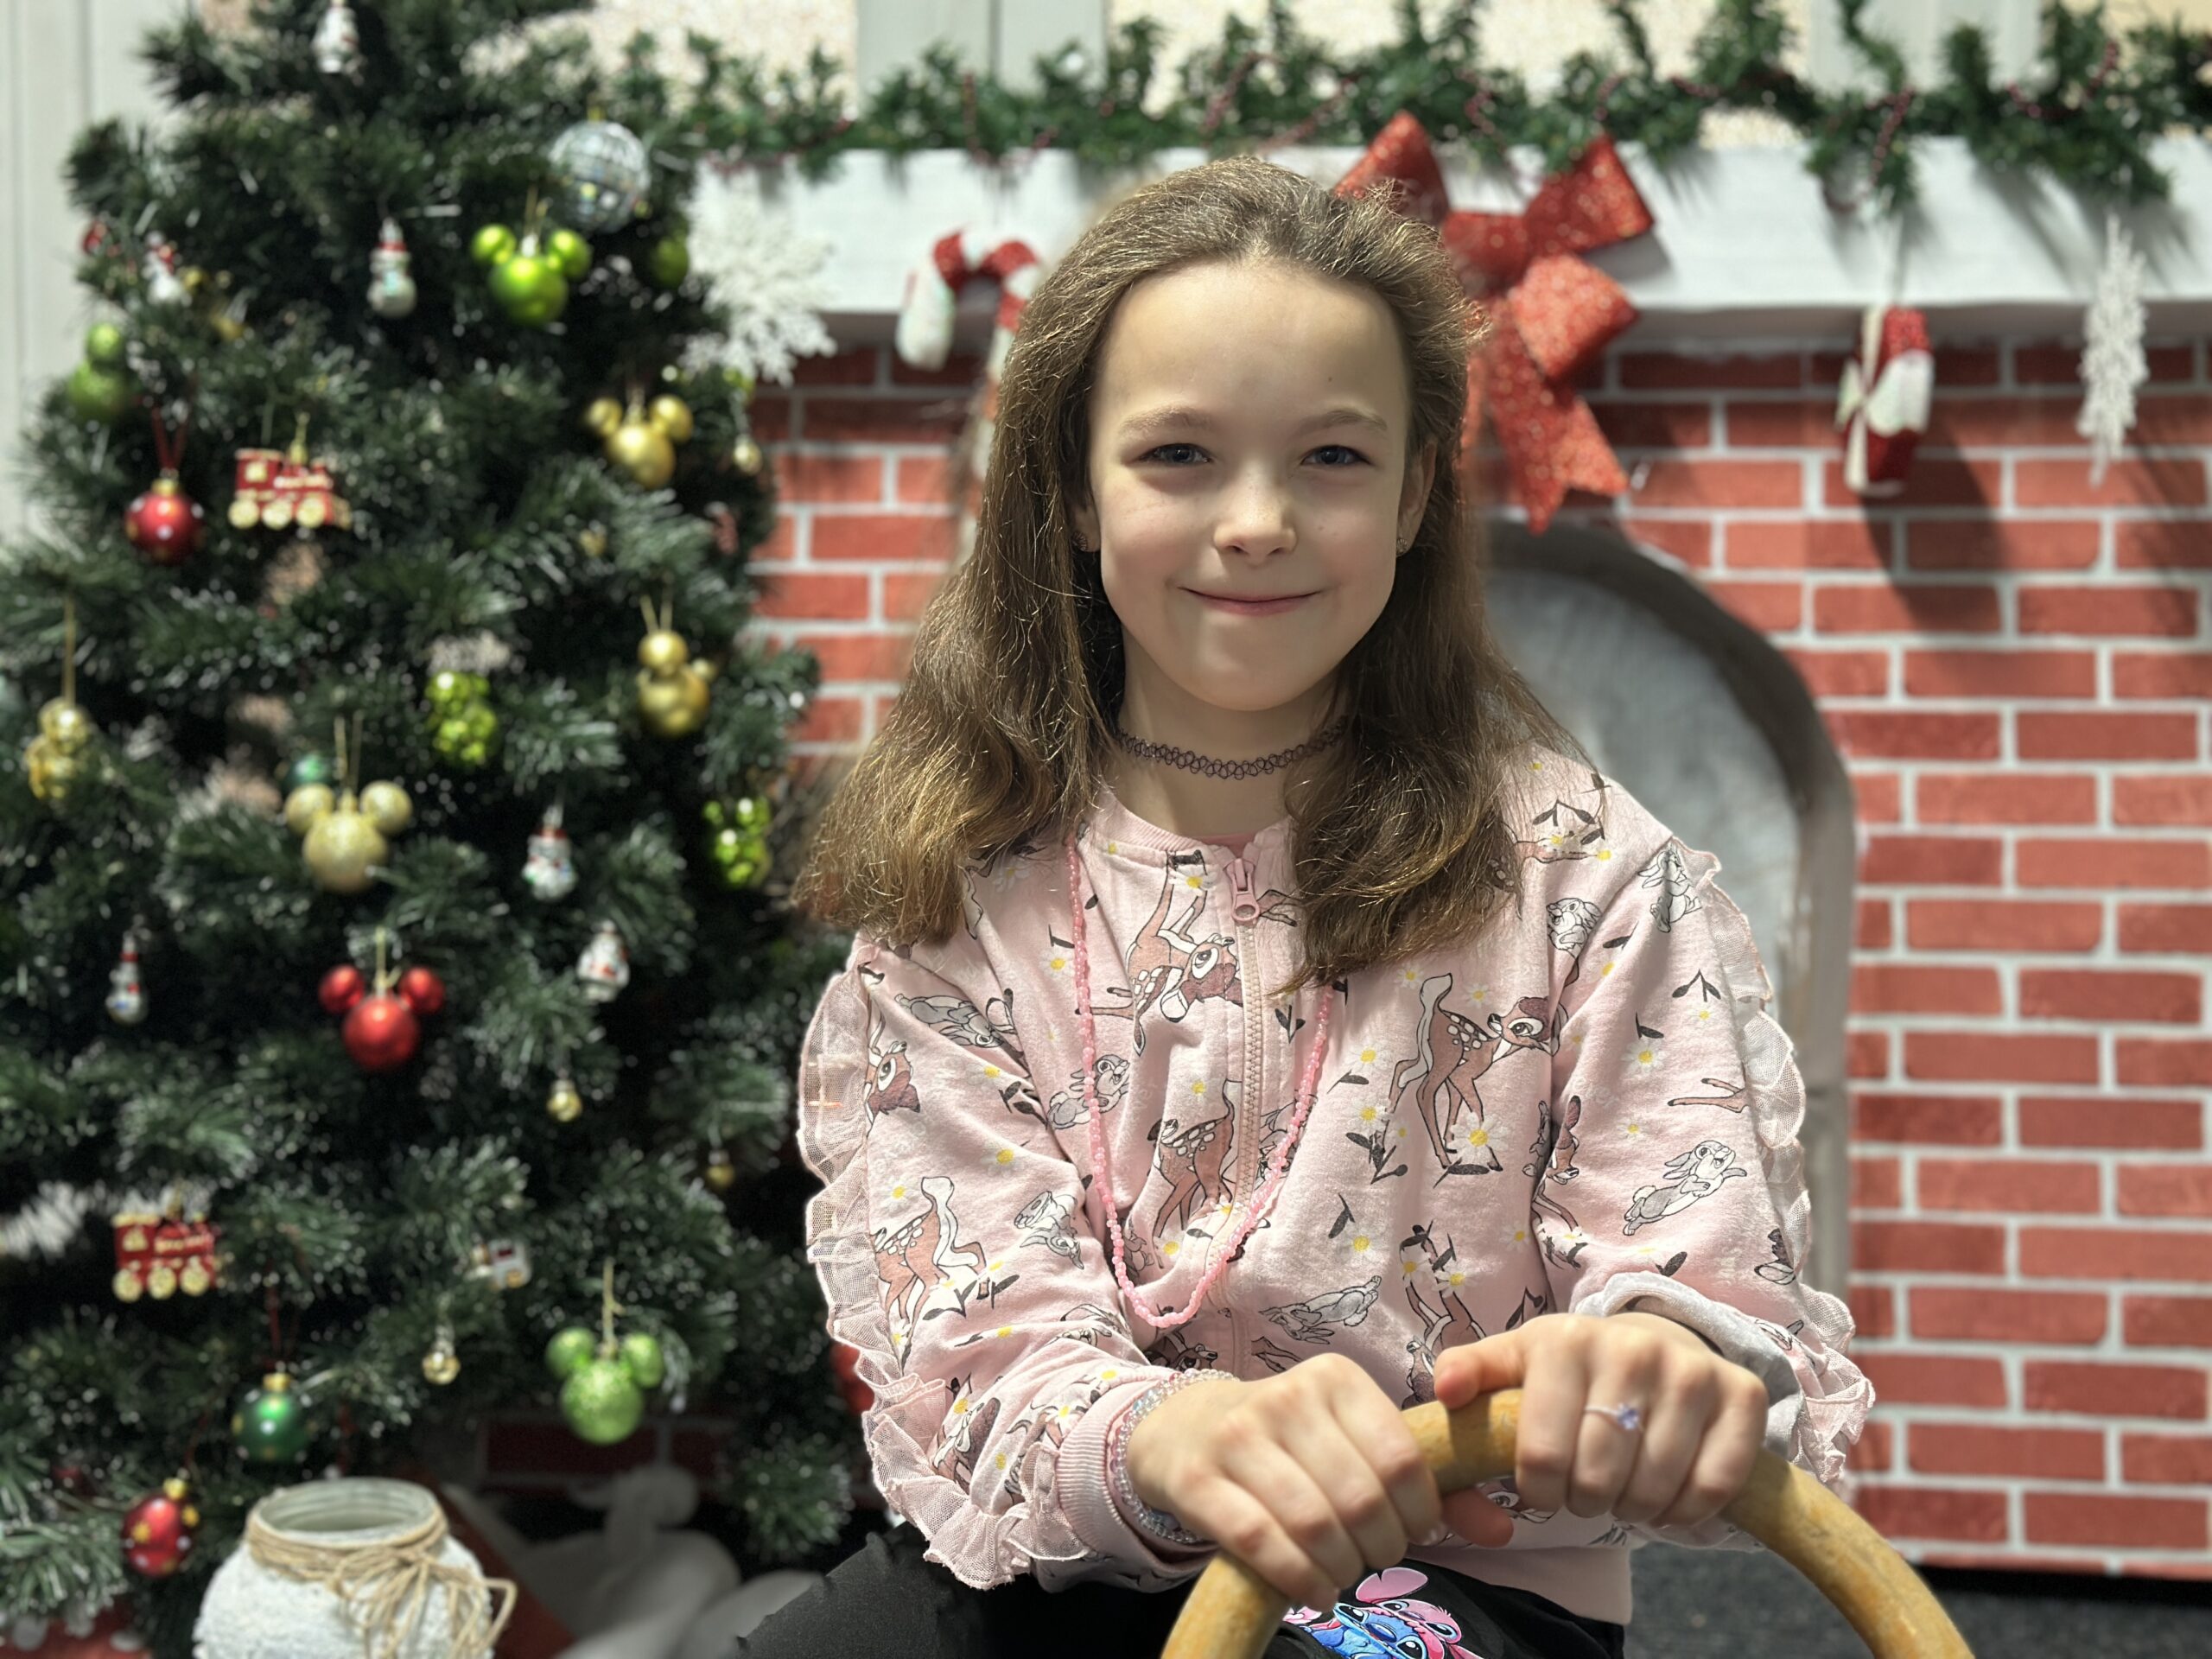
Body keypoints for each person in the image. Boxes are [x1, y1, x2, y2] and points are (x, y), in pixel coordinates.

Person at [747, 152, 1872, 1659]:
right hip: (1073, 1570)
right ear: (1074, 491)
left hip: (1457, 1586)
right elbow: (986, 1350)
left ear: (1414, 495)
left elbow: (1702, 1284)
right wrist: (1169, 1435)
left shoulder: (1590, 880)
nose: (1258, 520)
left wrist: (1665, 1363)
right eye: (1179, 455)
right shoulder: (962, 902)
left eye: (1332, 457)